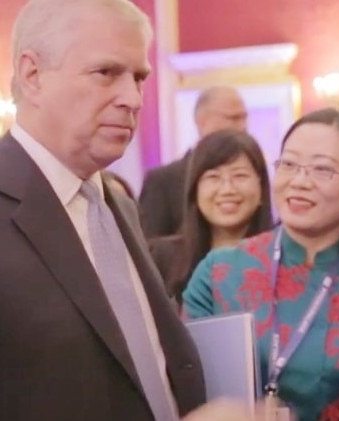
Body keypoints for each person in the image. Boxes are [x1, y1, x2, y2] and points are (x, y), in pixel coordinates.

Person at [3, 0, 262, 420]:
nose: (133, 98)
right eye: (105, 73)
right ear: (33, 76)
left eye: (139, 78)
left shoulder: (116, 205)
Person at [184, 108, 339, 421]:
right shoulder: (220, 272)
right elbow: (188, 390)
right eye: (289, 164)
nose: (299, 181)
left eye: (322, 170)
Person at [149, 129, 272, 305]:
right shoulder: (161, 259)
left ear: (262, 188)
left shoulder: (281, 259)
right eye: (213, 177)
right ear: (195, 190)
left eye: (240, 175)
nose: (227, 189)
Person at [139, 86, 248, 238]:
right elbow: (149, 249)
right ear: (202, 122)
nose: (242, 127)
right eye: (233, 118)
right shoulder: (163, 181)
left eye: (244, 118)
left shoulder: (252, 179)